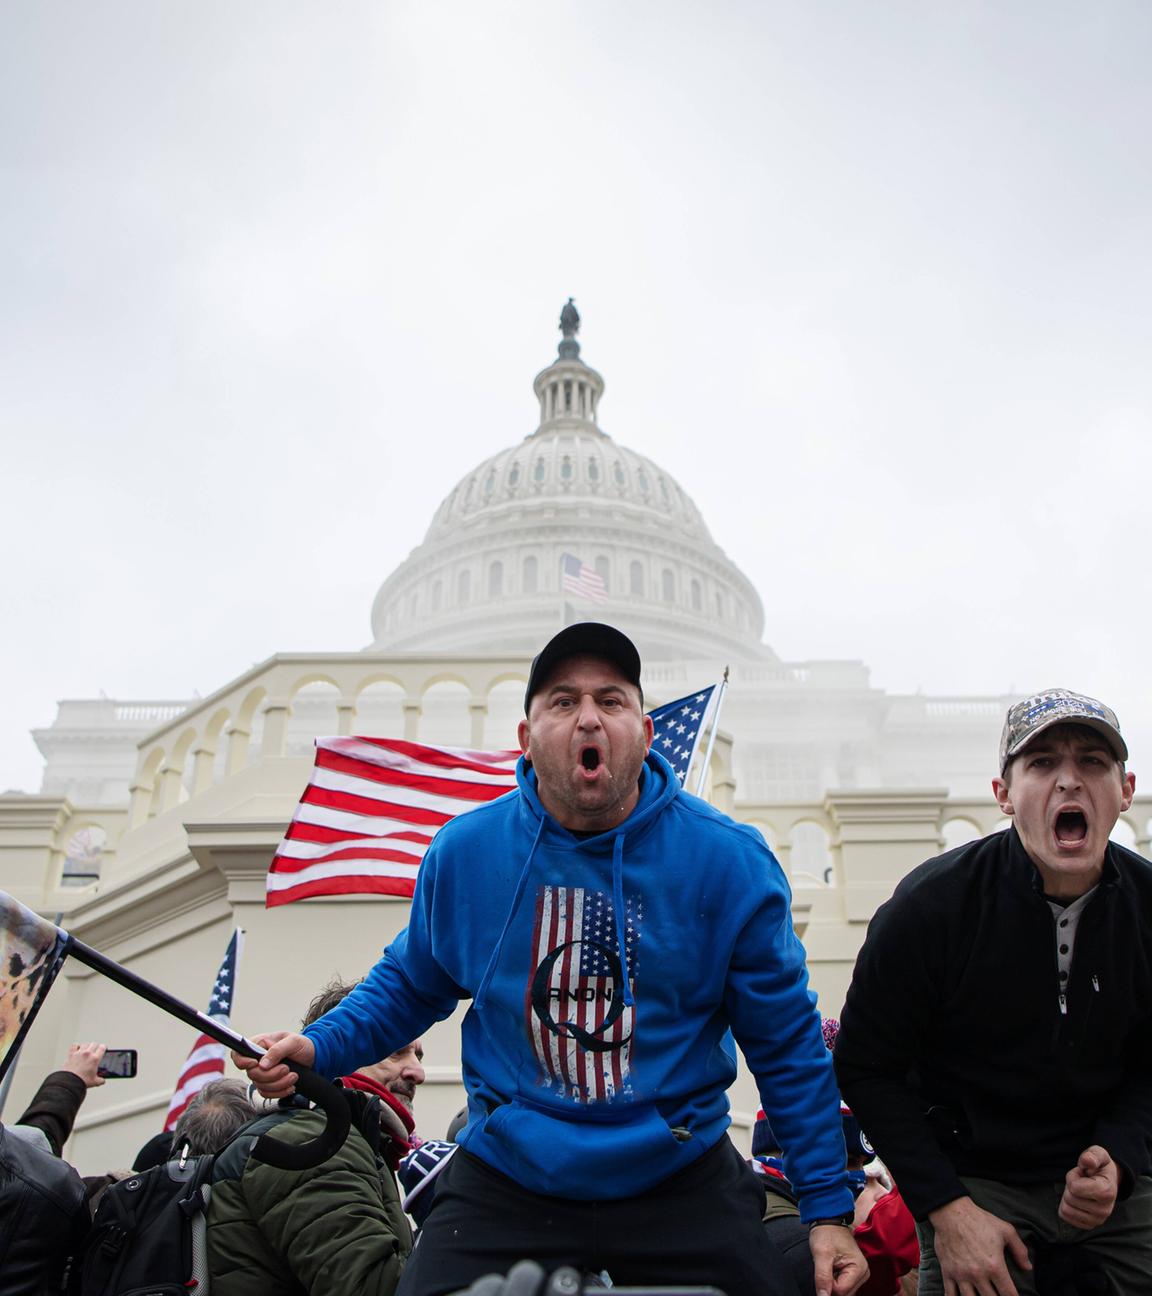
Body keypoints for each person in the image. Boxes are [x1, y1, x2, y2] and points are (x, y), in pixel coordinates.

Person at [238, 622, 867, 1296]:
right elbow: (408, 983)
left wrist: (827, 1209)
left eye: (612, 700)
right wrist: (318, 1047)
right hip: (508, 1180)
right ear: (527, 740)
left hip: (679, 1178)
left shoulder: (729, 863)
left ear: (647, 734)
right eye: (563, 702)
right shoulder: (466, 852)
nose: (589, 717)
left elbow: (787, 1047)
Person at [834, 688, 1152, 1295]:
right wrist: (946, 1209)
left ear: (1126, 790)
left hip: (1106, 1182)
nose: (1068, 782)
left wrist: (1119, 1158)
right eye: (1041, 764)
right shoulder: (931, 909)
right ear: (1004, 795)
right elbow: (866, 1066)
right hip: (973, 1179)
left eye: (1091, 761)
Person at [207, 980, 415, 1296]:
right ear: (343, 1047)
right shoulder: (311, 1140)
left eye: (418, 1055)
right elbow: (373, 1287)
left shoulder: (347, 1138)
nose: (417, 1071)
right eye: (396, 1052)